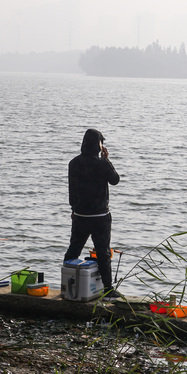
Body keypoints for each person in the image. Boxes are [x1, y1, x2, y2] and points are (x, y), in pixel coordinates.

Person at [63, 128, 121, 298]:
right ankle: (108, 289)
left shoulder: (73, 163)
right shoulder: (102, 164)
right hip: (100, 217)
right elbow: (115, 180)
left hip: (80, 216)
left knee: (74, 250)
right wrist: (107, 160)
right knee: (103, 252)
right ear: (98, 145)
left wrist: (73, 209)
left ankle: (67, 283)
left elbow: (72, 190)